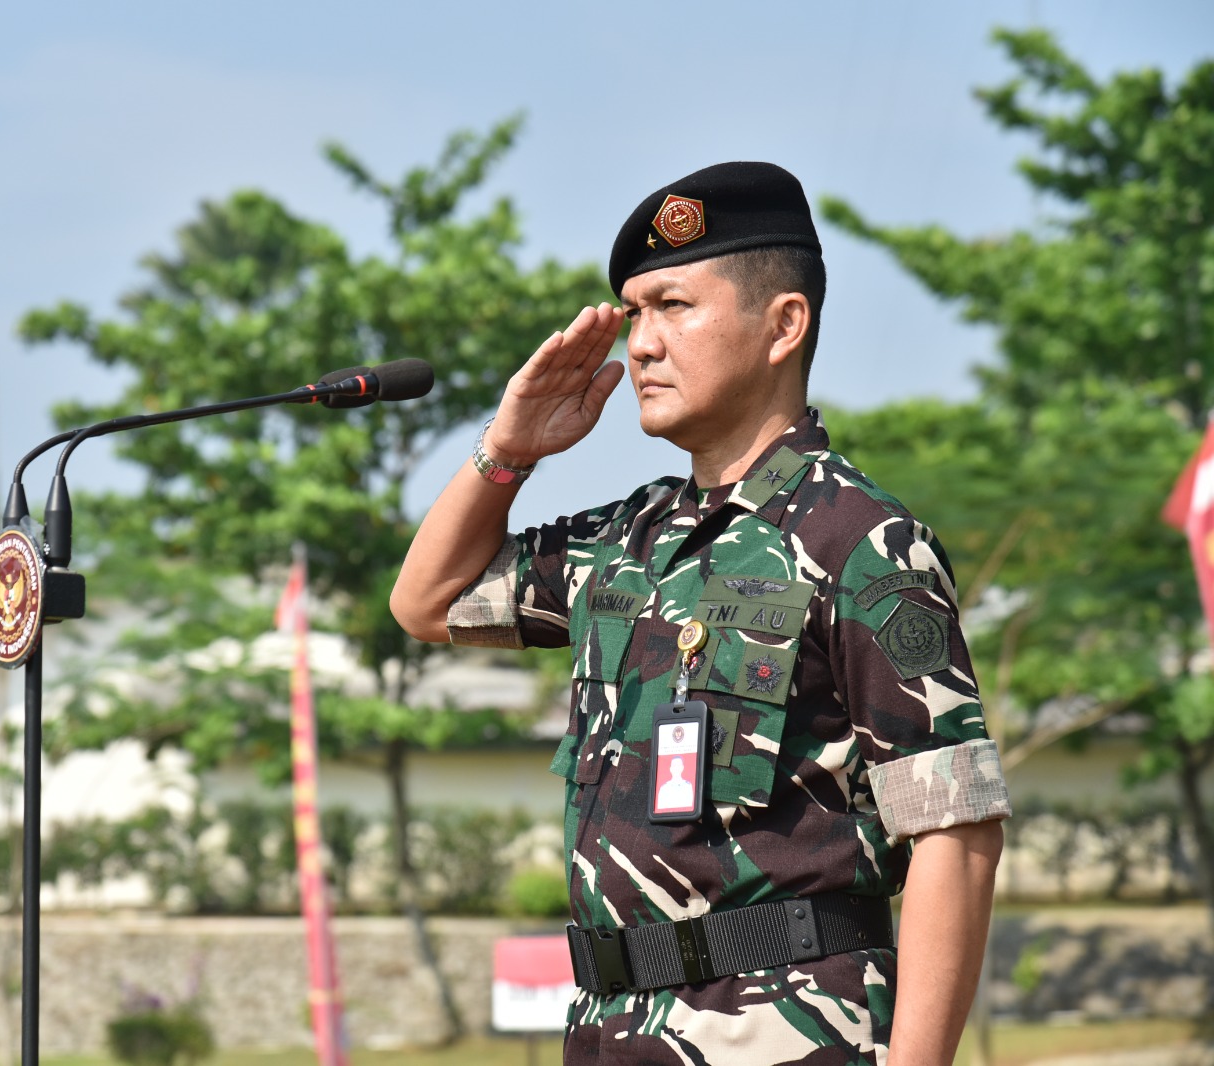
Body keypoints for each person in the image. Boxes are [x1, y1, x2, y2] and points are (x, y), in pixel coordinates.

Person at [390, 162, 1010, 1065]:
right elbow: (428, 602)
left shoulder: (860, 540)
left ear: (783, 326)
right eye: (634, 312)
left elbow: (956, 833)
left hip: (786, 1029)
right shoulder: (626, 539)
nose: (641, 342)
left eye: (675, 305)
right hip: (611, 1026)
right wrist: (508, 449)